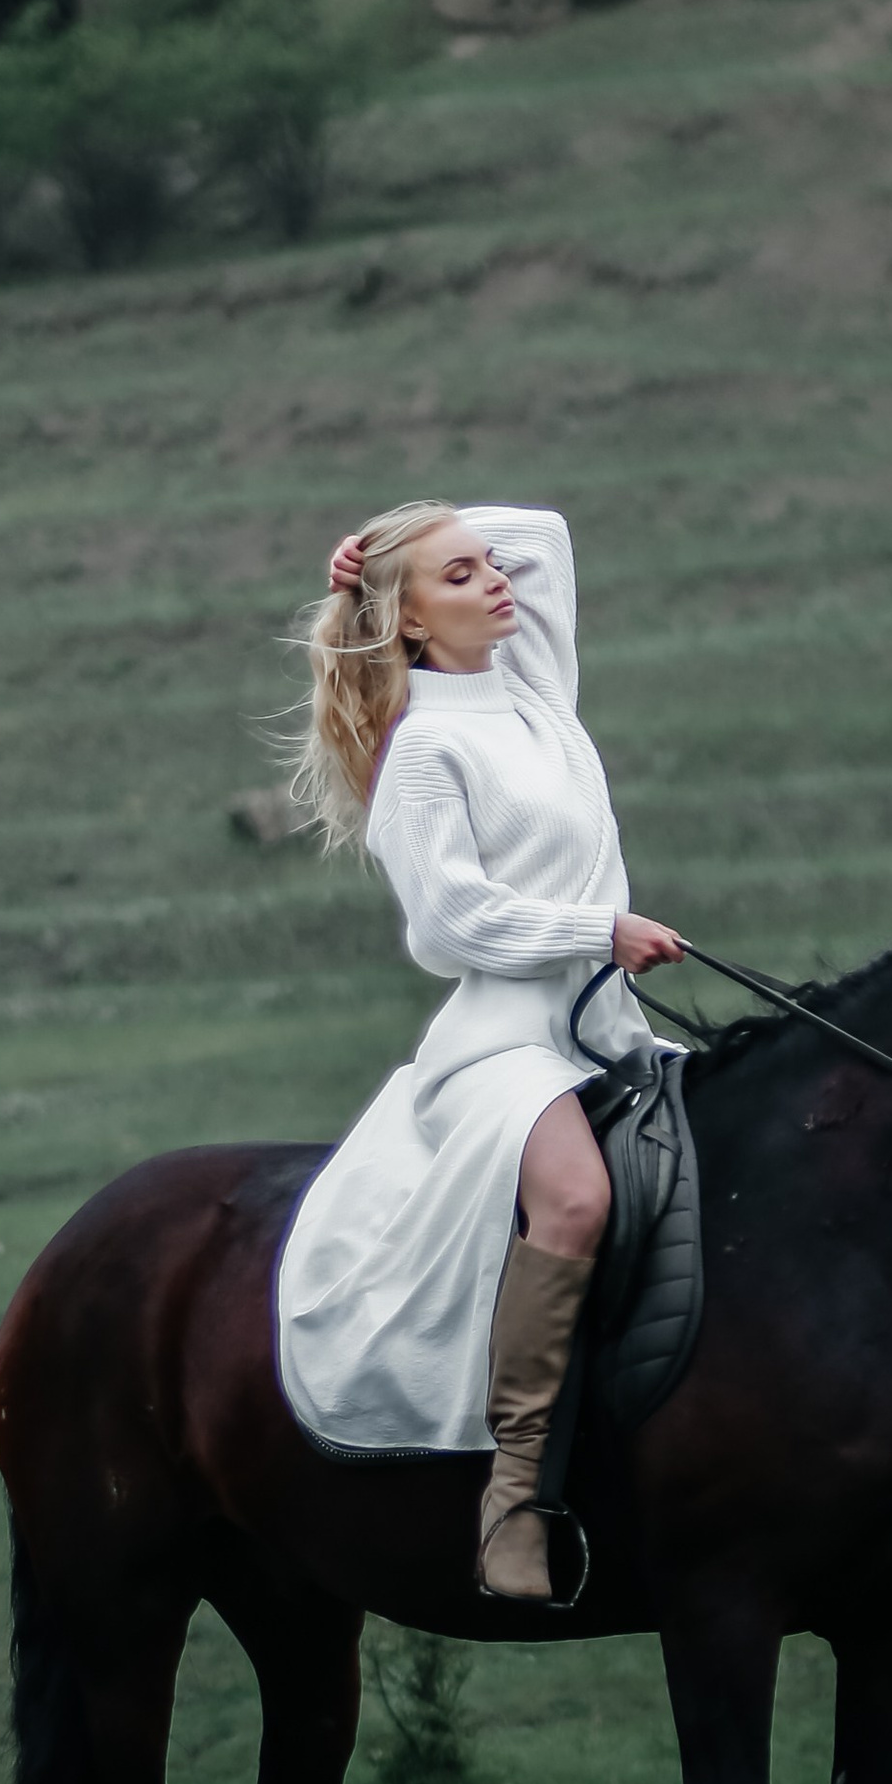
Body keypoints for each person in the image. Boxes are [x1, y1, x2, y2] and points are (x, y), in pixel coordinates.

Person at [275, 502, 684, 1602]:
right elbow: (447, 925)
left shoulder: (537, 692)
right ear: (410, 624)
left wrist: (376, 539)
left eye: (483, 566)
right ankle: (515, 1496)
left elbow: (543, 532)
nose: (497, 580)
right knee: (576, 1202)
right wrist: (593, 930)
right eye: (461, 577)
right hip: (505, 1040)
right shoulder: (424, 748)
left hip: (600, 1026)